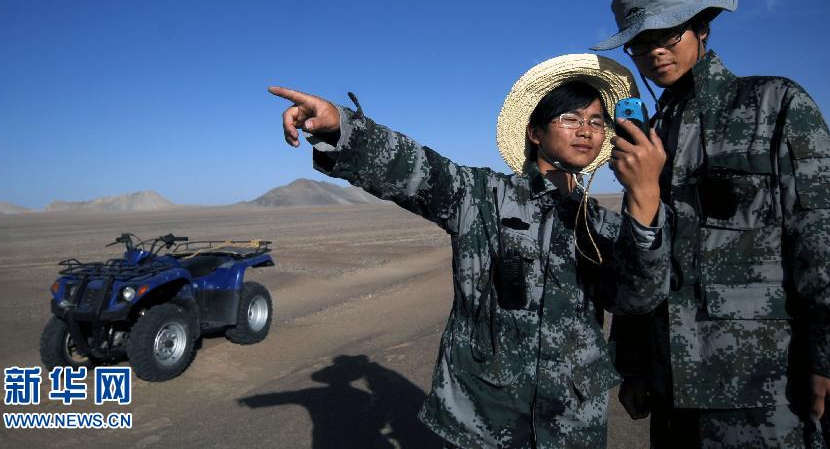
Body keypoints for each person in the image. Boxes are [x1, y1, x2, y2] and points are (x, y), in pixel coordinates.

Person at [269, 53, 670, 448]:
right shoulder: (479, 196)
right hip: (484, 421)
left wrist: (645, 199)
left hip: (572, 423)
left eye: (597, 122)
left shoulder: (603, 224)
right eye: (570, 118)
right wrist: (342, 127)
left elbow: (636, 299)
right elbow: (415, 169)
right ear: (535, 132)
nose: (585, 130)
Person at [591, 0, 830, 447]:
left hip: (765, 388)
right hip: (671, 388)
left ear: (702, 27)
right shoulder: (647, 137)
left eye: (668, 33)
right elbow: (643, 257)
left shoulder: (773, 103)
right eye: (640, 41)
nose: (655, 50)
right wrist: (633, 365)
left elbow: (827, 239)